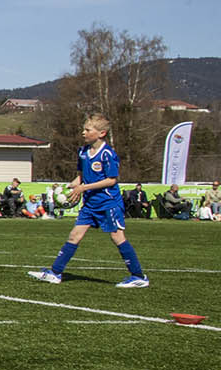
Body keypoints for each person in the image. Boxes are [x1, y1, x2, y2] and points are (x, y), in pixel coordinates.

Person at [30, 113, 149, 288]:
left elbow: (111, 180)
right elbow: (81, 176)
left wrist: (83, 188)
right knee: (74, 235)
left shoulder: (108, 154)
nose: (83, 133)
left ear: (101, 133)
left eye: (87, 130)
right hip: (90, 204)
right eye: (83, 129)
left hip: (108, 203)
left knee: (118, 237)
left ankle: (138, 276)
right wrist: (68, 188)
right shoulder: (83, 151)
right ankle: (55, 273)